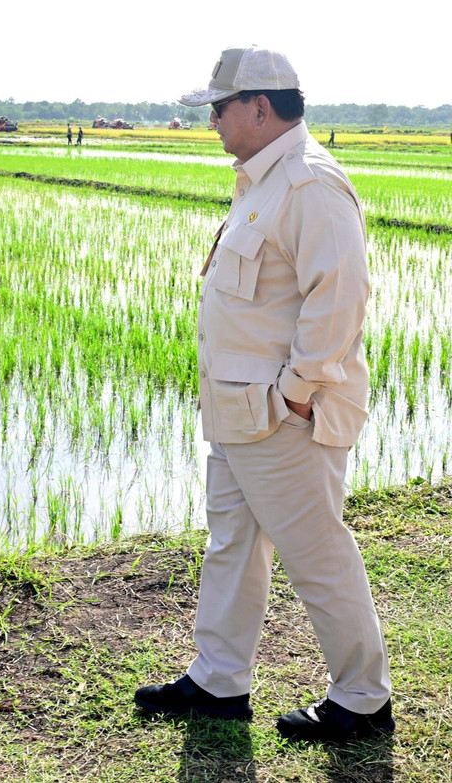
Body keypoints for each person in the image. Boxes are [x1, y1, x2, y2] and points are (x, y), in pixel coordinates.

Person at [134, 45, 392, 742]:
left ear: (259, 105)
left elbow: (338, 301)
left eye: (219, 107)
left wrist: (297, 395)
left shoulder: (310, 185)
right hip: (237, 413)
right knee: (232, 546)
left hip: (283, 419)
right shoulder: (262, 182)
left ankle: (364, 697)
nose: (212, 120)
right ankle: (220, 680)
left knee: (317, 555)